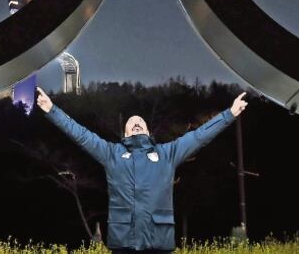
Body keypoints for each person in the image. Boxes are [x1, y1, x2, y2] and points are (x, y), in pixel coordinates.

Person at [36, 86, 248, 253]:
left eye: (140, 122)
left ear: (147, 130)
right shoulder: (112, 154)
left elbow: (199, 136)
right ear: (125, 134)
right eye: (131, 123)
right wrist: (52, 110)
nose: (136, 123)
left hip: (159, 241)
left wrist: (229, 114)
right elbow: (82, 135)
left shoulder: (167, 154)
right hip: (123, 242)